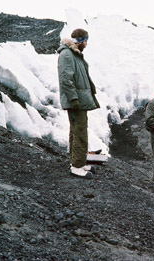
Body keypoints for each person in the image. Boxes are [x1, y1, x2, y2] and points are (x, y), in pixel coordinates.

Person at [57, 28, 100, 179]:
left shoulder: (73, 54)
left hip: (79, 100)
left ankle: (78, 162)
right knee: (79, 132)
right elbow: (66, 79)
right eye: (86, 41)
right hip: (76, 101)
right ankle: (76, 167)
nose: (87, 44)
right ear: (81, 41)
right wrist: (73, 98)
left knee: (77, 130)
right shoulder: (67, 55)